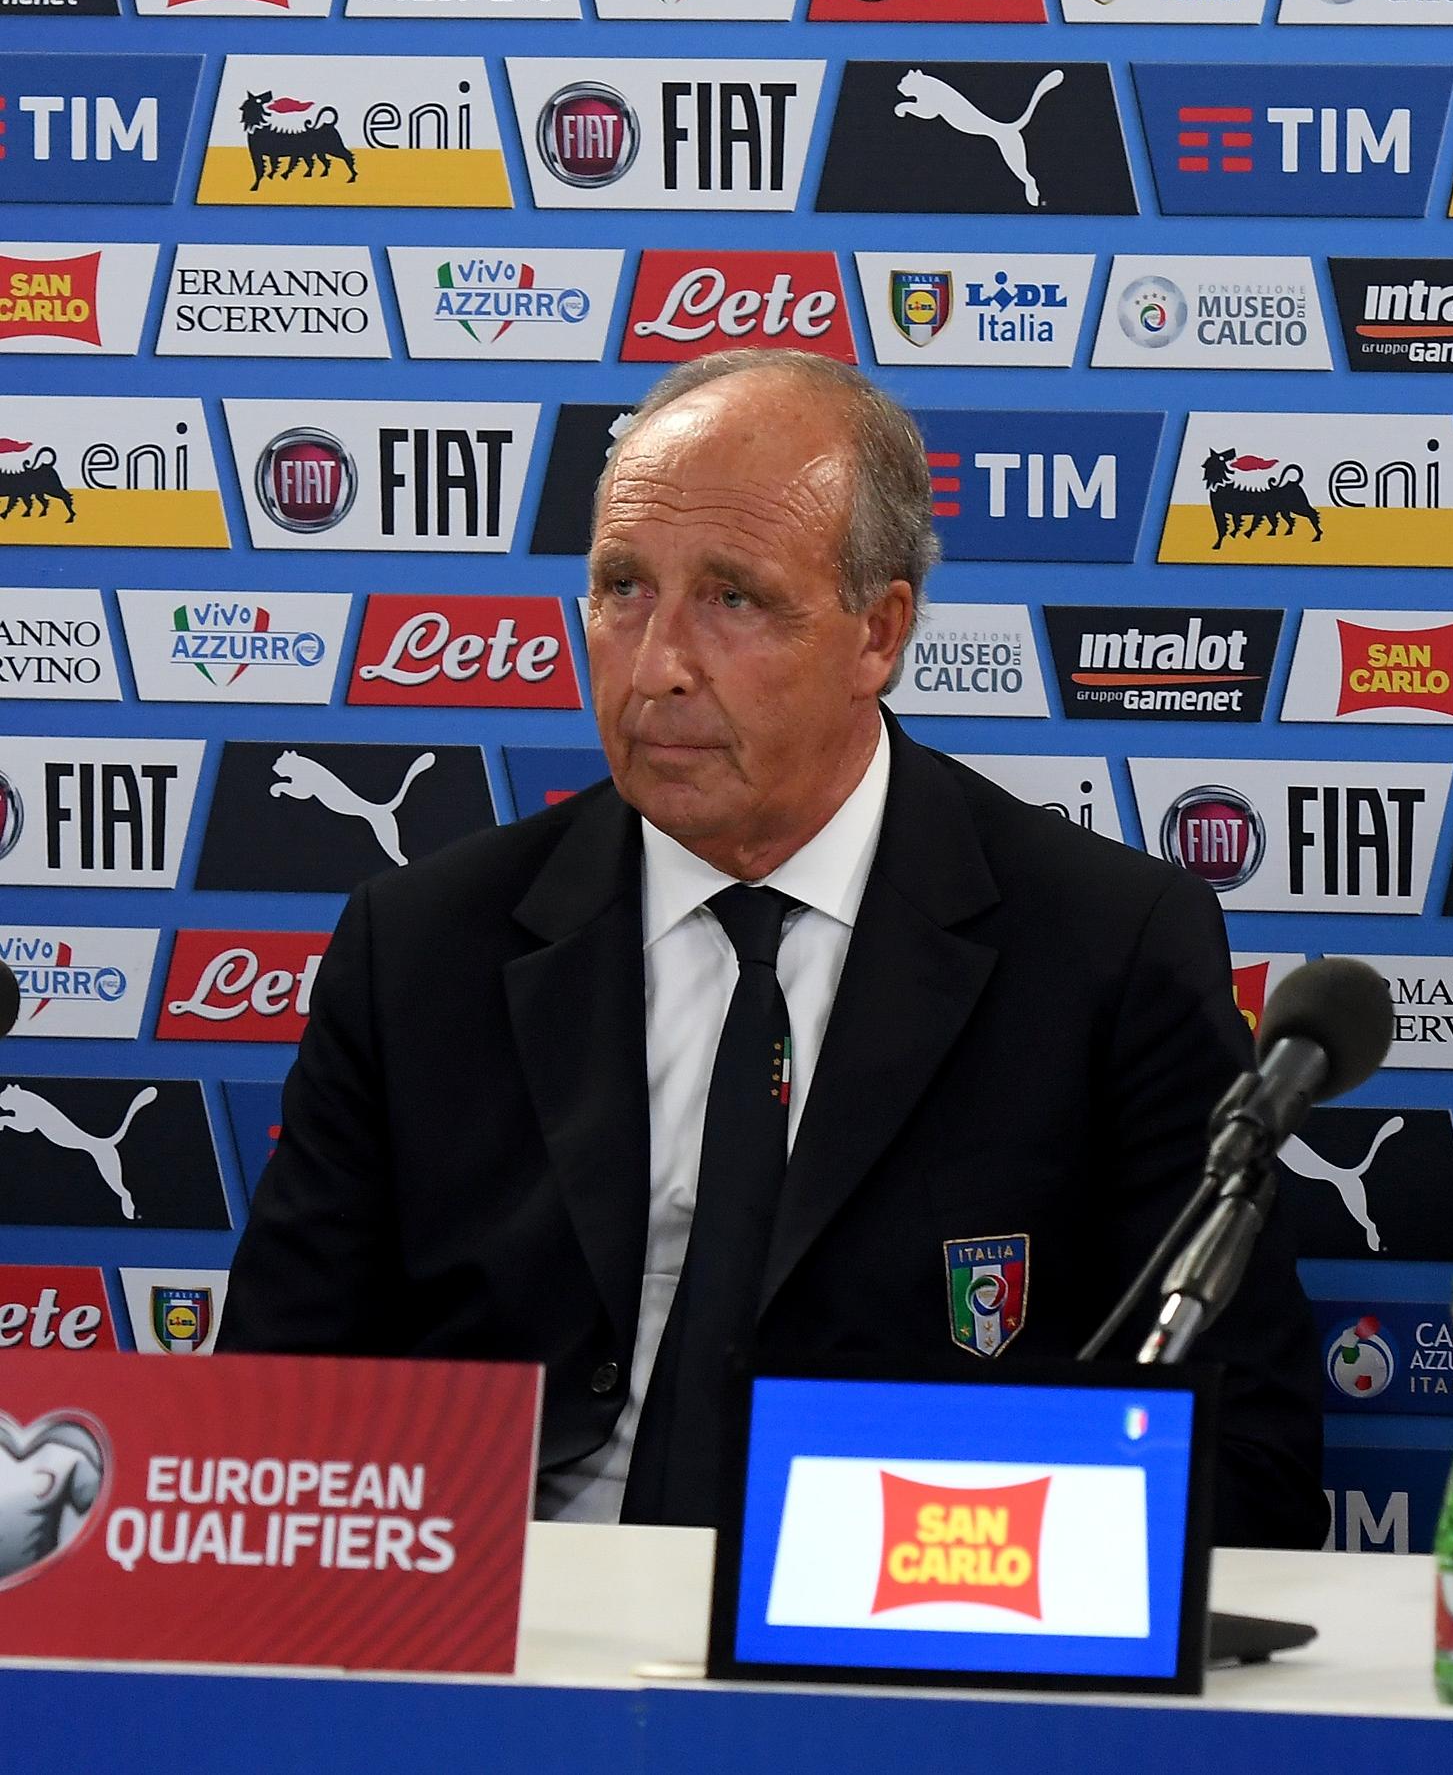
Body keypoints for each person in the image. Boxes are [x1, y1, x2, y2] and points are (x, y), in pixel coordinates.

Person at [224, 351, 1325, 1546]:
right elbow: (263, 1426)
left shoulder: (1105, 951)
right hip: (504, 1608)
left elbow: (1244, 1457)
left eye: (732, 599)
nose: (656, 666)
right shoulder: (421, 949)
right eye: (623, 588)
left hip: (903, 1611)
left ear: (878, 634)